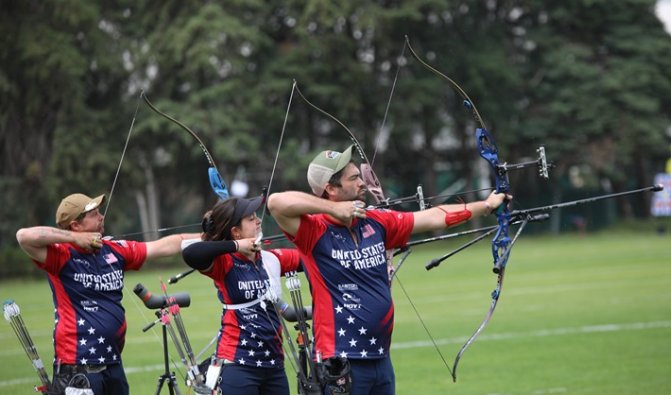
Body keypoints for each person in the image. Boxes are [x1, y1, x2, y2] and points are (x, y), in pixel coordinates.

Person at [266, 145, 509, 395]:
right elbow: (276, 202)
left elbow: (434, 217)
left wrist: (487, 205)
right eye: (354, 178)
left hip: (380, 358)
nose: (362, 182)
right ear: (331, 189)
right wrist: (333, 209)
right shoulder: (313, 231)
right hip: (341, 361)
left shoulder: (376, 221)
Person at [15, 193, 200, 395]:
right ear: (75, 226)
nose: (101, 217)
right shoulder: (61, 255)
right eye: (94, 214)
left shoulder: (113, 249)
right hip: (78, 366)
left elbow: (167, 245)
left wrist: (209, 238)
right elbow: (24, 236)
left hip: (112, 363)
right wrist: (74, 239)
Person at [181, 196, 303, 395]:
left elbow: (312, 257)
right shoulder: (225, 263)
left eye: (256, 216)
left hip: (273, 363)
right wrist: (236, 246)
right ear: (236, 232)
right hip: (238, 363)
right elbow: (190, 253)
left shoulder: (272, 259)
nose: (258, 221)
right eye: (250, 219)